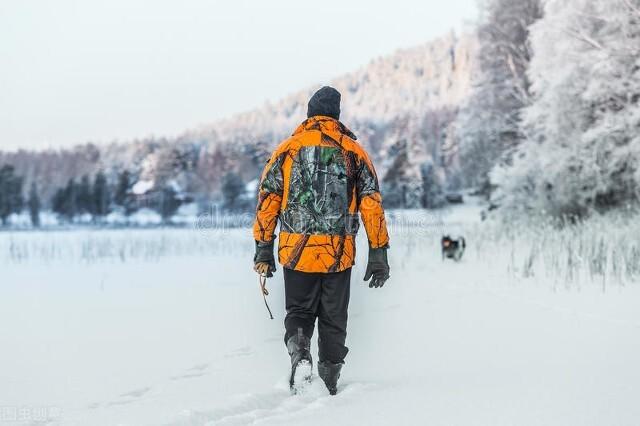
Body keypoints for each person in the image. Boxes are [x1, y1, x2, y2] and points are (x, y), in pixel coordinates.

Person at [252, 86, 390, 395]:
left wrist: (263, 246)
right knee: (333, 318)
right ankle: (329, 379)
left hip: (295, 251)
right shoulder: (353, 152)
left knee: (299, 312)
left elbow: (268, 201)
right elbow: (371, 204)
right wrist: (378, 251)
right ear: (337, 116)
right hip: (337, 254)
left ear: (310, 113)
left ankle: (300, 354)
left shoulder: (287, 149)